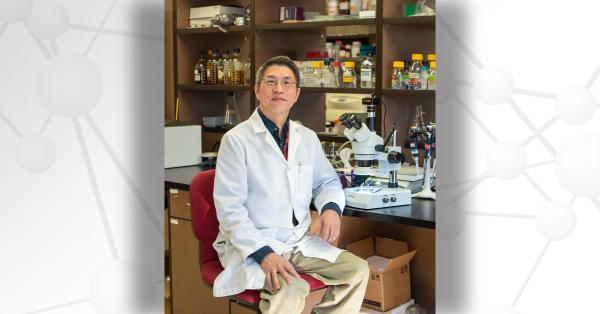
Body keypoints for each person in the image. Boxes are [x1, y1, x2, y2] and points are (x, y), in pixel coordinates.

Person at [212, 56, 370, 313]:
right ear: (257, 90)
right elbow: (230, 209)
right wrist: (263, 253)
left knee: (357, 270)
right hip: (255, 242)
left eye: (287, 83)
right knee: (291, 286)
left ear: (296, 94)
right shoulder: (236, 140)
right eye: (271, 82)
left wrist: (331, 208)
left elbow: (327, 181)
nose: (279, 89)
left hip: (298, 240)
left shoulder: (305, 137)